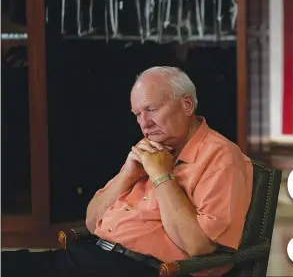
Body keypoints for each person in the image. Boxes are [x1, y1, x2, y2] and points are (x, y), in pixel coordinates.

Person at [2, 66, 254, 277]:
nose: (143, 123)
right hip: (92, 257)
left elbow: (200, 246)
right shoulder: (149, 150)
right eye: (137, 114)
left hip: (137, 267)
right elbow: (91, 222)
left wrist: (161, 176)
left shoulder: (221, 158)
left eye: (152, 109)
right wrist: (127, 175)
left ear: (187, 104)